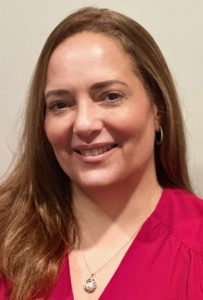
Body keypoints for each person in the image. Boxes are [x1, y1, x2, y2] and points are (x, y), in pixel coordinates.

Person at [0, 6, 202, 300]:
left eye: (110, 96)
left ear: (158, 109)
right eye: (61, 104)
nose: (83, 123)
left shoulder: (195, 244)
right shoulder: (6, 236)